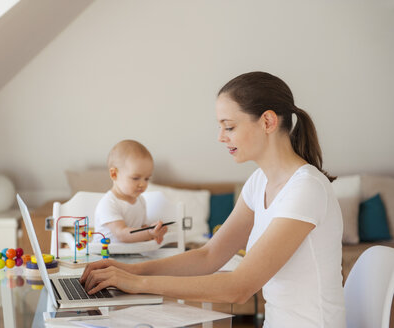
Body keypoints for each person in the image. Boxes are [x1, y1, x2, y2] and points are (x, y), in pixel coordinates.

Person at [81, 72, 346, 328]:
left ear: (267, 122)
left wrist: (136, 284)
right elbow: (209, 255)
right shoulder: (259, 182)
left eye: (229, 126)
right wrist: (132, 270)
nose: (221, 137)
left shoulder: (306, 189)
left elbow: (238, 288)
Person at [94, 139, 168, 244]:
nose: (142, 184)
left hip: (131, 253)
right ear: (114, 174)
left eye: (146, 179)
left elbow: (140, 229)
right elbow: (121, 234)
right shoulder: (109, 203)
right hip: (105, 256)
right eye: (135, 178)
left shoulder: (141, 201)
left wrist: (155, 230)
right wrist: (148, 233)